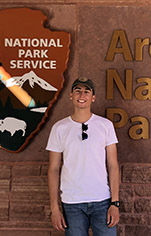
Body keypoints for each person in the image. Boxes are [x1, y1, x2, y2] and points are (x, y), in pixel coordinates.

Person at [46, 76, 120, 236]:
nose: (82, 95)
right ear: (71, 96)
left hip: (102, 202)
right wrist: (54, 208)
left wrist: (115, 203)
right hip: (72, 203)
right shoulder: (59, 128)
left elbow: (113, 165)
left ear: (93, 97)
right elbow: (53, 169)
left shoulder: (105, 126)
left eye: (87, 91)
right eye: (77, 91)